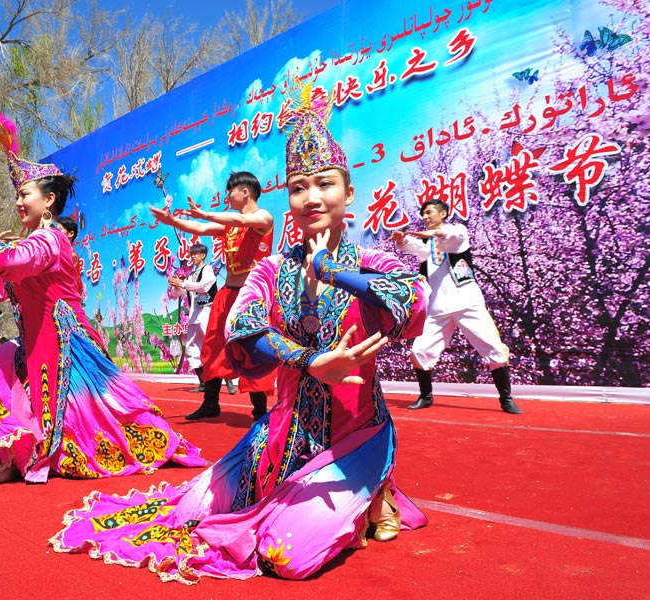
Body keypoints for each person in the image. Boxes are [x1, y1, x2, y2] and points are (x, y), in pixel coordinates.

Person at [51, 85, 430, 583]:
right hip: (285, 433)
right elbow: (243, 328)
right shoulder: (272, 270)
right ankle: (350, 501)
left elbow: (414, 297)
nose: (311, 197)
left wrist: (333, 272)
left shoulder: (371, 263)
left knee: (286, 556)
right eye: (298, 187)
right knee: (190, 512)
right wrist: (310, 362)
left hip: (356, 435)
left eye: (324, 184)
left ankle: (371, 490)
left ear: (349, 192)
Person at [0, 113, 205, 484]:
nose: (19, 202)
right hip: (36, 341)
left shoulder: (50, 239)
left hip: (63, 340)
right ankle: (15, 451)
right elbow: (2, 288)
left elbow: (16, 262)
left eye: (24, 195)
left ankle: (34, 455)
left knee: (90, 422)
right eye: (18, 196)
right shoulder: (30, 242)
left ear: (49, 199)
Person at [149, 171, 276, 420]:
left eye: (230, 191)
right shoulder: (229, 224)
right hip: (227, 294)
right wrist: (172, 221)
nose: (228, 196)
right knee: (213, 347)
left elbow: (237, 221)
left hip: (251, 297)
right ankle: (211, 402)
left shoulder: (264, 218)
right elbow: (200, 227)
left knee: (253, 350)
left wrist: (207, 213)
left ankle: (260, 412)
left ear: (245, 192)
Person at [388, 200, 523, 414]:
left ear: (443, 214)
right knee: (420, 351)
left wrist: (434, 233)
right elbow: (417, 249)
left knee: (494, 348)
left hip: (466, 303)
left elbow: (452, 236)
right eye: (422, 213)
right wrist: (403, 239)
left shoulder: (457, 233)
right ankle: (426, 396)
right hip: (437, 308)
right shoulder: (429, 248)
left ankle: (506, 398)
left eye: (429, 212)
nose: (424, 216)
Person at [167, 243, 217, 392]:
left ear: (203, 255)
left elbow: (203, 287)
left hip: (206, 313)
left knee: (211, 347)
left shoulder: (207, 270)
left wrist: (183, 283)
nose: (193, 256)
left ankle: (225, 380)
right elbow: (179, 294)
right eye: (192, 254)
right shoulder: (190, 275)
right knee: (192, 349)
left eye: (196, 254)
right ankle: (203, 383)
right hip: (194, 316)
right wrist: (176, 285)